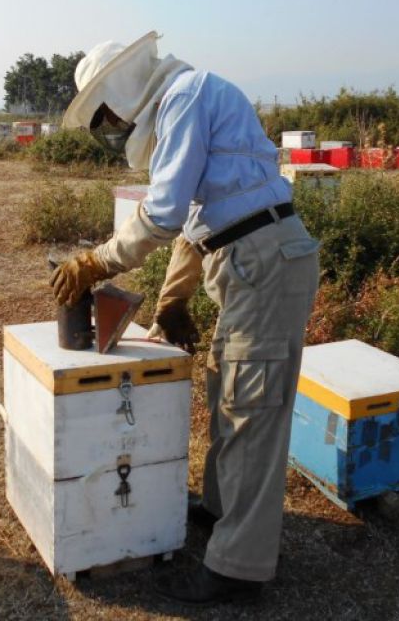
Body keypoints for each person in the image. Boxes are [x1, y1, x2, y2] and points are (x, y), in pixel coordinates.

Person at [50, 31, 320, 605]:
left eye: (103, 114)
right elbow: (201, 222)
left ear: (119, 90)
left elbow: (166, 213)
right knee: (231, 392)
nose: (107, 127)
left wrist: (97, 262)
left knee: (251, 410)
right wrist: (172, 300)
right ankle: (223, 512)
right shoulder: (184, 106)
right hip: (247, 262)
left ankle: (237, 570)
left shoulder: (185, 96)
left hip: (264, 264)